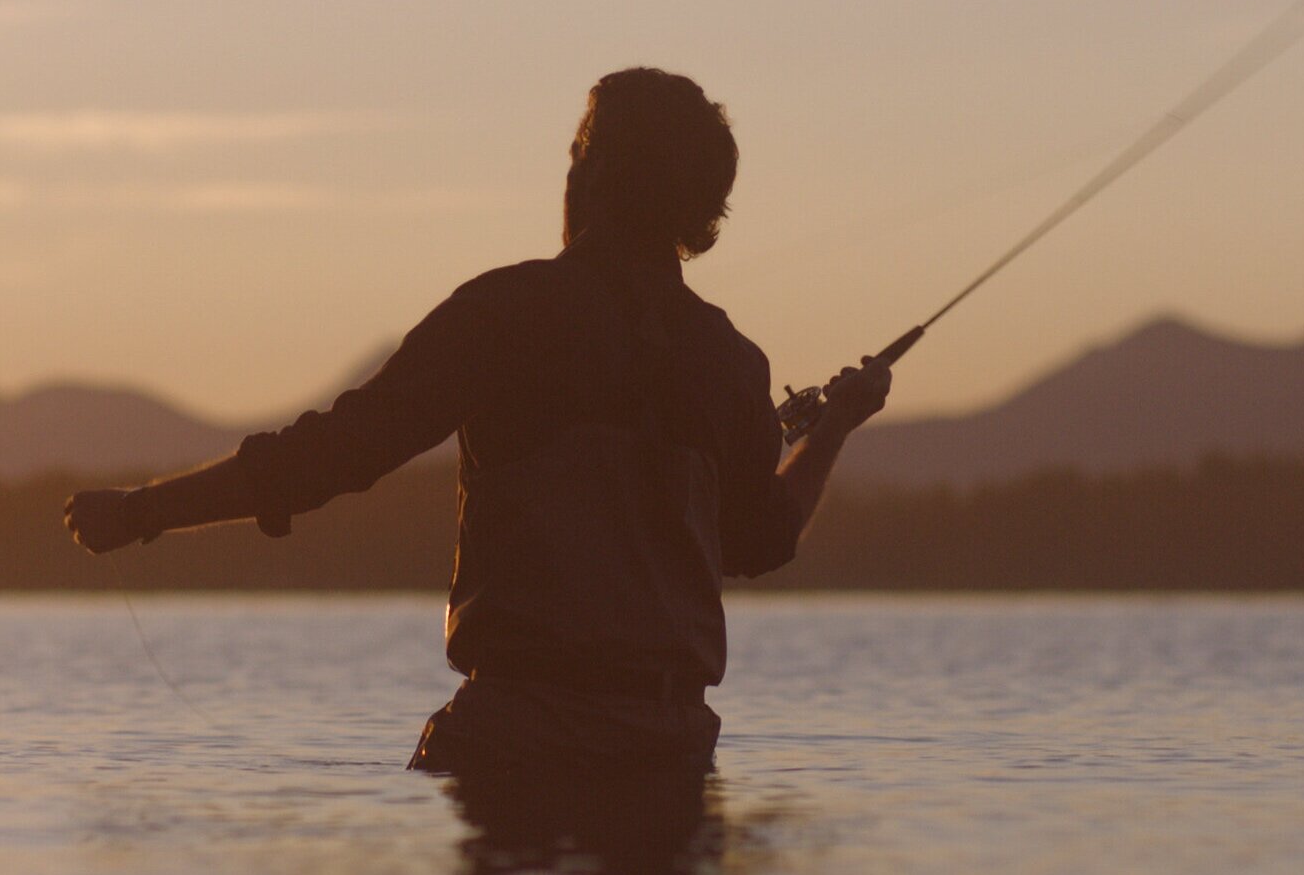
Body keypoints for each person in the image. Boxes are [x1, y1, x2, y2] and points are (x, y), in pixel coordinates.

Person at [64, 67, 892, 777]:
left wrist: (144, 511)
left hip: (516, 740)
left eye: (581, 157)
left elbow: (329, 456)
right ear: (701, 208)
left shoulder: (505, 315)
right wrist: (835, 429)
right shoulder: (727, 361)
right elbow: (761, 539)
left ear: (593, 177)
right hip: (668, 754)